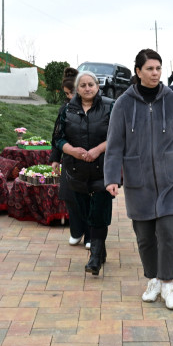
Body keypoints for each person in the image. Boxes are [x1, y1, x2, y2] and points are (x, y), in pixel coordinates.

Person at [105, 49, 173, 310]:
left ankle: (168, 283)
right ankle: (153, 280)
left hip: (172, 180)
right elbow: (114, 145)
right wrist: (112, 177)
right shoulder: (123, 104)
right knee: (145, 237)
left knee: (168, 232)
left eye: (158, 68)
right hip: (138, 181)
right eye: (149, 69)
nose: (155, 73)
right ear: (138, 71)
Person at [54, 70, 115, 274]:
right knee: (85, 212)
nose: (87, 88)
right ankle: (100, 251)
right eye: (83, 85)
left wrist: (98, 149)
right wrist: (71, 151)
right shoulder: (67, 110)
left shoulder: (110, 106)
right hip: (76, 170)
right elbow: (58, 138)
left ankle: (94, 258)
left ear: (97, 86)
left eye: (91, 84)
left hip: (103, 169)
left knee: (99, 213)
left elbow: (119, 135)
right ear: (77, 89)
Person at [51, 67, 89, 248]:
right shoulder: (64, 109)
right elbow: (57, 136)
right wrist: (55, 158)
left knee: (89, 199)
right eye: (67, 94)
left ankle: (91, 235)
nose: (70, 96)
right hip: (70, 160)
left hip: (91, 161)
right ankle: (76, 231)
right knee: (70, 196)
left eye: (72, 92)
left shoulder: (95, 107)